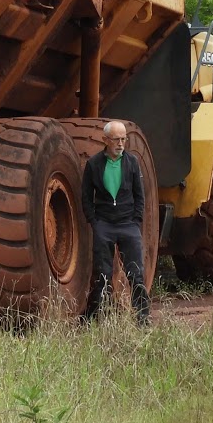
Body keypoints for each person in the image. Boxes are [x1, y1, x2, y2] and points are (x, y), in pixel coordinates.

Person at [81, 120, 150, 325]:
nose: (121, 144)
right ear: (105, 140)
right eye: (116, 139)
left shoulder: (132, 162)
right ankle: (95, 318)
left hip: (128, 224)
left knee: (136, 273)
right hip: (104, 225)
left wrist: (136, 220)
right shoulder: (93, 164)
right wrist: (94, 222)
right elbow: (86, 196)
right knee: (102, 274)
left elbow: (140, 195)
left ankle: (142, 319)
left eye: (123, 139)